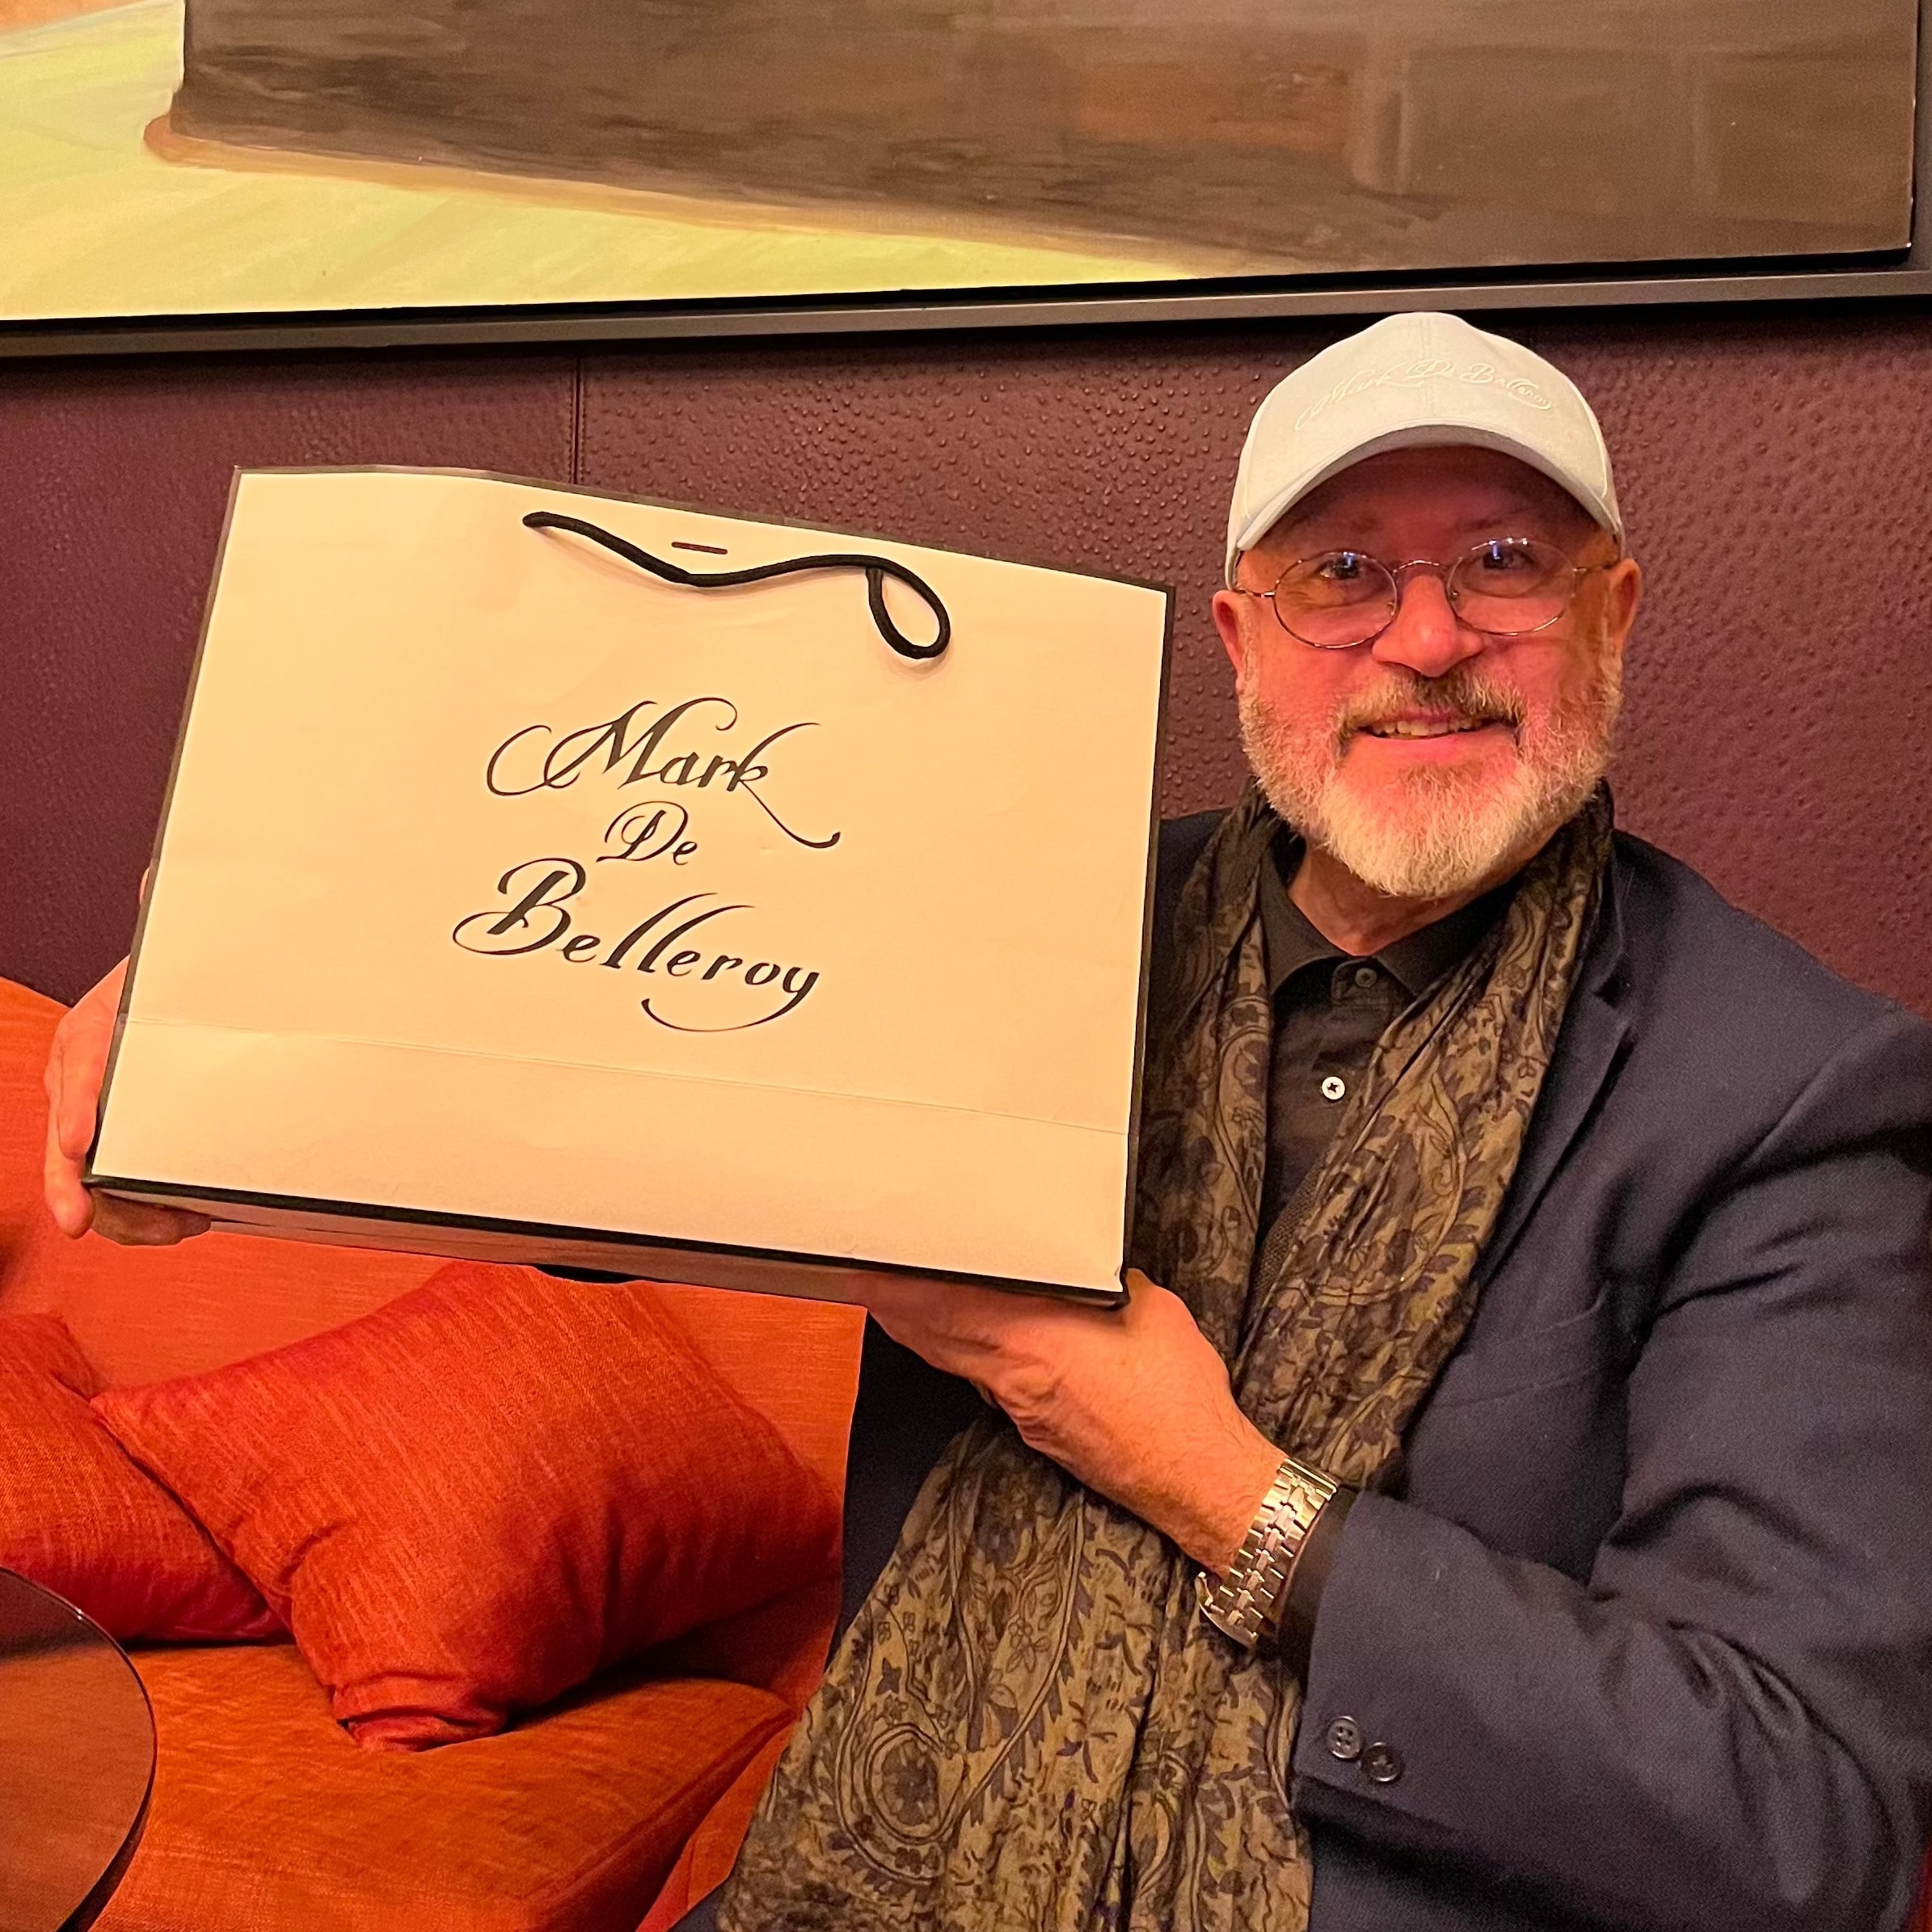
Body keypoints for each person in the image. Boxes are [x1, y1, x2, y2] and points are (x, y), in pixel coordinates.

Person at [44, 314, 1932, 1932]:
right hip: (887, 1856)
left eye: (1504, 560)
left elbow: (1797, 1814)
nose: (1423, 636)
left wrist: (1228, 1491)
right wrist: (222, 1027)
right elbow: (616, 1089)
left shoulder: (1784, 1092)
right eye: (1340, 572)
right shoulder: (1022, 917)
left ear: (1613, 613)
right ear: (1240, 637)